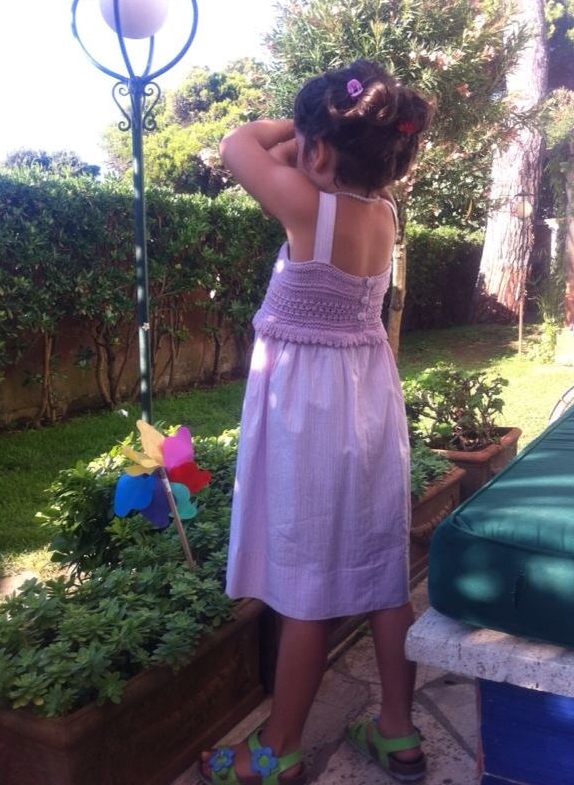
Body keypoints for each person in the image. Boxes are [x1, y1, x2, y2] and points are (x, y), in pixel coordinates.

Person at [198, 59, 433, 785]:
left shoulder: (307, 206)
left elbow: (238, 143)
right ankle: (397, 729)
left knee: (306, 582)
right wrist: (328, 127)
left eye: (307, 140)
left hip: (308, 417)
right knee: (381, 568)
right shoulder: (383, 213)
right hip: (369, 405)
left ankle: (277, 749)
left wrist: (303, 127)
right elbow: (288, 151)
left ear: (320, 150)